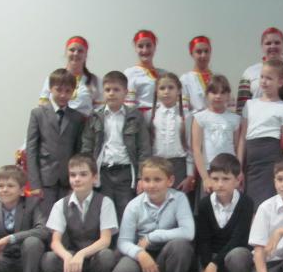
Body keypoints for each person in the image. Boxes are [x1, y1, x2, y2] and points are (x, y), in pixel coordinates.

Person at [111, 157, 195, 272]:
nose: (151, 185)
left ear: (170, 181)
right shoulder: (134, 206)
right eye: (146, 180)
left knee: (181, 246)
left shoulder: (179, 199)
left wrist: (152, 236)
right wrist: (140, 255)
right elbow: (123, 242)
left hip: (168, 253)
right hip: (142, 252)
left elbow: (188, 232)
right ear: (141, 181)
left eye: (157, 180)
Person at [41, 155, 118, 272]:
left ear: (94, 178)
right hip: (72, 256)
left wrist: (81, 254)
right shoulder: (60, 205)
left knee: (107, 256)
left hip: (95, 256)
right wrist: (67, 256)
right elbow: (55, 242)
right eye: (73, 175)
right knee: (48, 259)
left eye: (83, 174)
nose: (77, 179)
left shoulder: (105, 202)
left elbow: (105, 240)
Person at [80, 71, 151, 222]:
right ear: (103, 92)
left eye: (116, 89)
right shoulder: (95, 116)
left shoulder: (135, 116)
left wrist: (142, 177)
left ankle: (124, 238)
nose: (111, 93)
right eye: (108, 90)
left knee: (125, 213)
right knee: (104, 214)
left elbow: (144, 149)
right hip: (103, 173)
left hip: (126, 173)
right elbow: (87, 147)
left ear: (125, 92)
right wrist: (87, 173)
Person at [190, 153, 254, 272]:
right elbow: (203, 241)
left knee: (239, 255)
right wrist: (208, 267)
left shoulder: (246, 203)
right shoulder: (204, 205)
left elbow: (239, 239)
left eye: (226, 179)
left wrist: (214, 265)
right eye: (215, 179)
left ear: (237, 180)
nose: (219, 184)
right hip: (211, 258)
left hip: (235, 255)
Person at [237, 60, 283, 210]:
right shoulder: (249, 105)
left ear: (280, 82)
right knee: (250, 205)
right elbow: (242, 139)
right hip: (251, 161)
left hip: (270, 160)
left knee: (268, 205)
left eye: (269, 78)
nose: (264, 81)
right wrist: (239, 167)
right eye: (262, 77)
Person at [26, 69, 85, 216]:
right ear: (50, 89)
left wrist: (77, 180)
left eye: (68, 91)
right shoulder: (38, 114)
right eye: (59, 90)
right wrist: (34, 183)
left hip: (68, 180)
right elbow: (31, 149)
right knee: (45, 220)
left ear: (73, 92)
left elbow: (78, 151)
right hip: (45, 179)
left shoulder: (77, 118)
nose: (63, 95)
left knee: (66, 219)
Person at [236, 27, 283, 113]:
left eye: (277, 43)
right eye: (268, 43)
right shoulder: (249, 73)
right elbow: (241, 108)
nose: (273, 46)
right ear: (262, 46)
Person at [191, 75, 241, 197]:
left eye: (222, 93)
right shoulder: (200, 118)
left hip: (229, 170)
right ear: (207, 94)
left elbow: (237, 147)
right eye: (214, 92)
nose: (218, 96)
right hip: (209, 170)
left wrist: (238, 171)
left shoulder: (235, 119)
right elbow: (196, 149)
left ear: (228, 95)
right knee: (208, 205)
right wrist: (205, 178)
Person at [150, 73, 195, 194]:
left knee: (178, 201)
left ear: (179, 91)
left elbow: (190, 146)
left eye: (171, 87)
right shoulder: (150, 115)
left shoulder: (187, 116)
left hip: (179, 167)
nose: (166, 92)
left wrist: (190, 174)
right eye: (162, 88)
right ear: (156, 92)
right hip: (156, 165)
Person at [38, 36, 101, 117]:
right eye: (72, 50)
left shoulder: (94, 80)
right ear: (66, 53)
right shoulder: (53, 78)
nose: (76, 53)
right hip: (55, 123)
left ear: (86, 55)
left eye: (80, 51)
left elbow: (100, 109)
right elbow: (42, 104)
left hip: (83, 123)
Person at [124, 30, 169, 122]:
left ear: (154, 47)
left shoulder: (164, 74)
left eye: (148, 45)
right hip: (142, 122)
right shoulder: (130, 73)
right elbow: (129, 105)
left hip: (164, 120)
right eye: (140, 46)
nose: (145, 50)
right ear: (135, 48)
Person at [180, 35, 219, 113]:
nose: (203, 55)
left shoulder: (218, 79)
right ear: (191, 54)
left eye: (206, 51)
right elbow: (184, 110)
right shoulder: (185, 79)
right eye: (199, 52)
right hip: (195, 119)